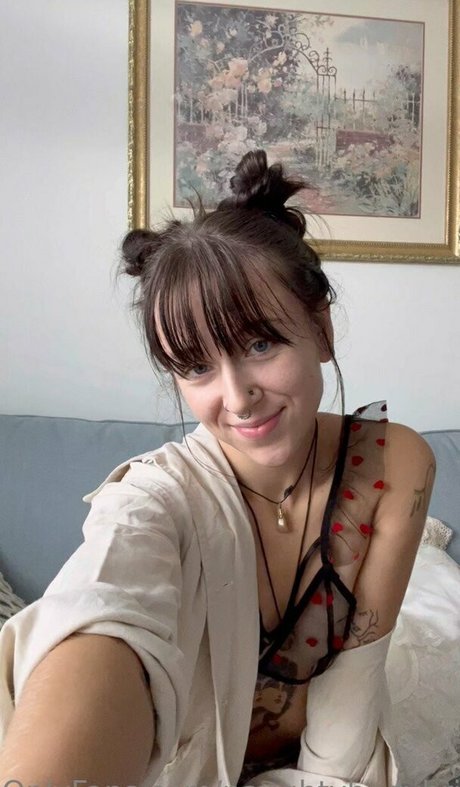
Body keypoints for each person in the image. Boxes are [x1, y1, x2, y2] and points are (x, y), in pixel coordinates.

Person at [0, 148, 450, 787]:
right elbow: (105, 603)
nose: (237, 398)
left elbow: (353, 685)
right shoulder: (158, 498)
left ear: (321, 330)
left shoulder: (392, 464)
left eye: (260, 344)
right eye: (196, 366)